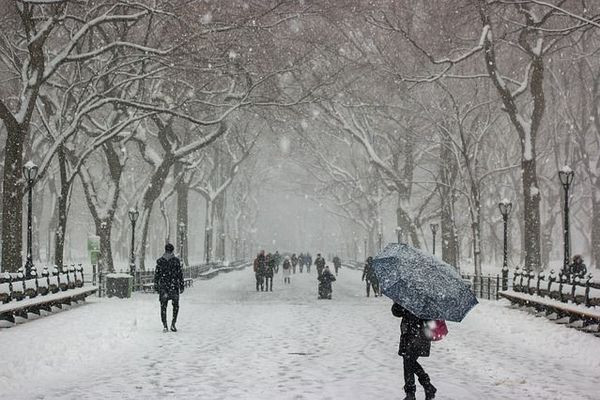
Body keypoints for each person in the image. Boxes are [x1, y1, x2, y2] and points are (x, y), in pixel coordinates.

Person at [391, 303, 436, 400]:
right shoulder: (409, 296)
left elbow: (430, 318)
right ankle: (426, 387)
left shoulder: (414, 296)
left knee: (408, 362)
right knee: (409, 362)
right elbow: (396, 312)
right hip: (413, 334)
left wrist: (405, 308)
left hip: (417, 335)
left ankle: (412, 393)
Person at [154, 243, 184, 332]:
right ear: (172, 250)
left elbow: (157, 275)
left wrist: (156, 285)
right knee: (176, 306)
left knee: (163, 306)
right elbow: (180, 274)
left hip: (164, 286)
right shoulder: (176, 261)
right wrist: (181, 285)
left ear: (165, 250)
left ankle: (165, 325)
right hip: (174, 286)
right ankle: (173, 324)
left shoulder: (160, 261)